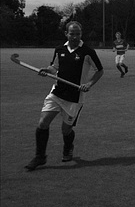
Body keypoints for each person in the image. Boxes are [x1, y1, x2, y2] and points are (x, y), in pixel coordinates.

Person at [25, 21, 104, 171]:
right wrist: (47, 71)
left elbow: (99, 71)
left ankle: (68, 147)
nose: (75, 37)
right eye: (72, 33)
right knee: (43, 123)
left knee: (65, 130)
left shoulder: (87, 52)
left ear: (81, 34)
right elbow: (54, 67)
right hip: (57, 92)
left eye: (78, 34)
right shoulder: (59, 49)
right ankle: (40, 156)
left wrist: (89, 84)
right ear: (66, 34)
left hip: (75, 97)